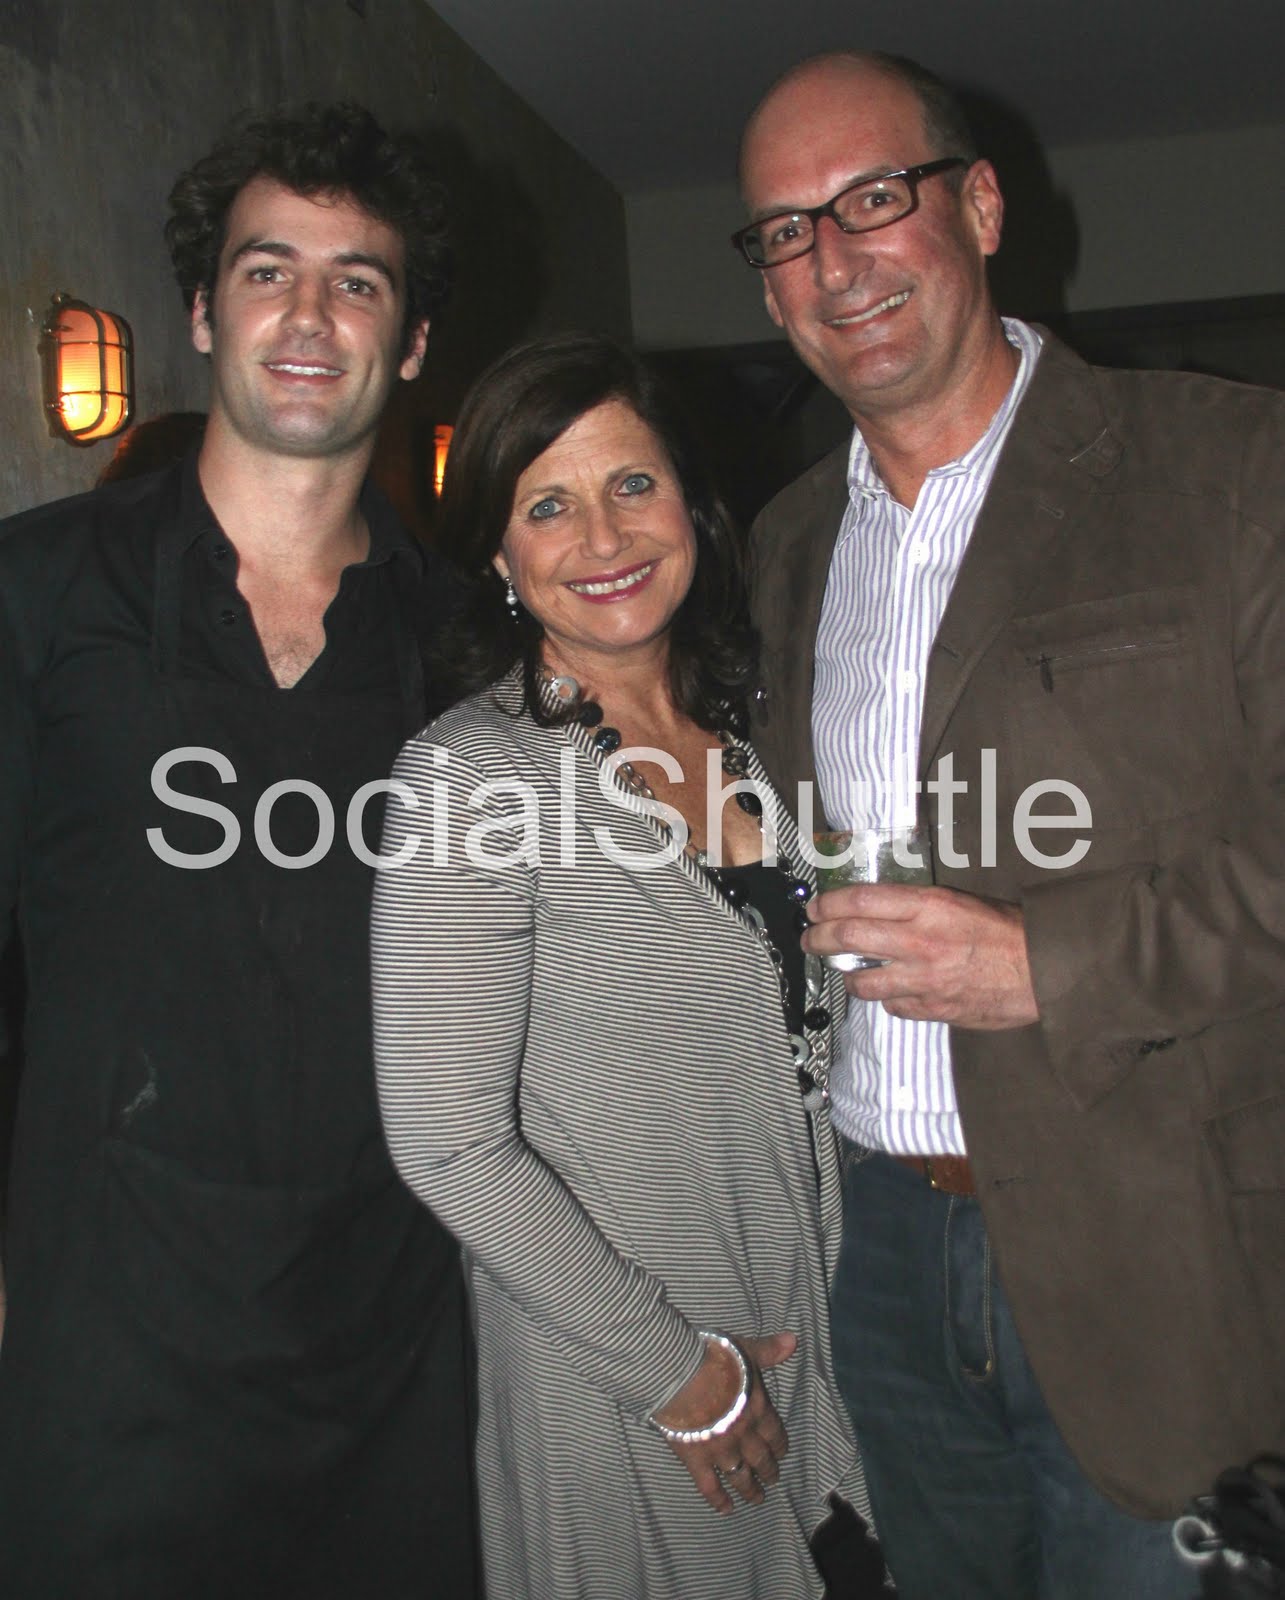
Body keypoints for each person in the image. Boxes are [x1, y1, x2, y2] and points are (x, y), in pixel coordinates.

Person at [735, 48, 1285, 1600]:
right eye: (786, 230)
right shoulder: (785, 543)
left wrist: (1050, 964)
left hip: (1164, 1253)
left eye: (873, 200)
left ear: (978, 207)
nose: (835, 261)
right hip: (881, 1257)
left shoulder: (1234, 468)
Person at [0, 103, 477, 1597]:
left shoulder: (469, 645)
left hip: (398, 1353)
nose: (309, 315)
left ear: (410, 343)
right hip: (103, 1345)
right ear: (205, 313)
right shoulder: (35, 591)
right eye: (268, 271)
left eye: (358, 280)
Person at [370, 332, 885, 1599]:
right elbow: (445, 1140)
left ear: (691, 506)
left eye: (632, 484)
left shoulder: (762, 734)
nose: (602, 536)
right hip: (631, 1379)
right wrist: (675, 1370)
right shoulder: (472, 775)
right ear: (498, 555)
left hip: (815, 1346)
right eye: (547, 505)